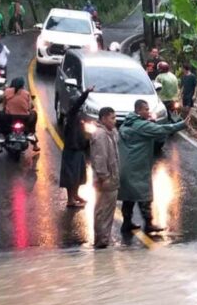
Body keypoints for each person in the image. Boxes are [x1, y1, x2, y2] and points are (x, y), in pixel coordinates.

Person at [119, 99, 188, 233]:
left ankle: (126, 223)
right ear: (138, 110)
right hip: (138, 168)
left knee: (129, 198)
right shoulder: (141, 126)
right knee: (144, 196)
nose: (148, 111)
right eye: (146, 109)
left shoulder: (127, 124)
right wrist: (182, 124)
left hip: (126, 167)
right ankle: (149, 224)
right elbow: (162, 129)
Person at [60, 85, 95, 207]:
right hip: (72, 150)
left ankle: (75, 195)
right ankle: (70, 199)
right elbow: (77, 105)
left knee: (79, 175)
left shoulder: (77, 117)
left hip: (79, 148)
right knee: (71, 176)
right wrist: (86, 93)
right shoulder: (71, 115)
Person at [91, 107, 120, 248]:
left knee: (107, 211)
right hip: (106, 180)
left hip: (112, 177)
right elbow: (100, 158)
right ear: (103, 119)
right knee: (103, 211)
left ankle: (104, 238)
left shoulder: (110, 132)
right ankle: (101, 240)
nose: (115, 121)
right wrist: (104, 177)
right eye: (112, 118)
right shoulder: (101, 135)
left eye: (115, 118)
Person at [0, 77, 39, 150]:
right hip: (25, 118)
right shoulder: (26, 93)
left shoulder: (7, 91)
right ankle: (32, 135)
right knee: (34, 114)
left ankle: (1, 134)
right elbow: (30, 106)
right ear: (22, 85)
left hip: (9, 118)